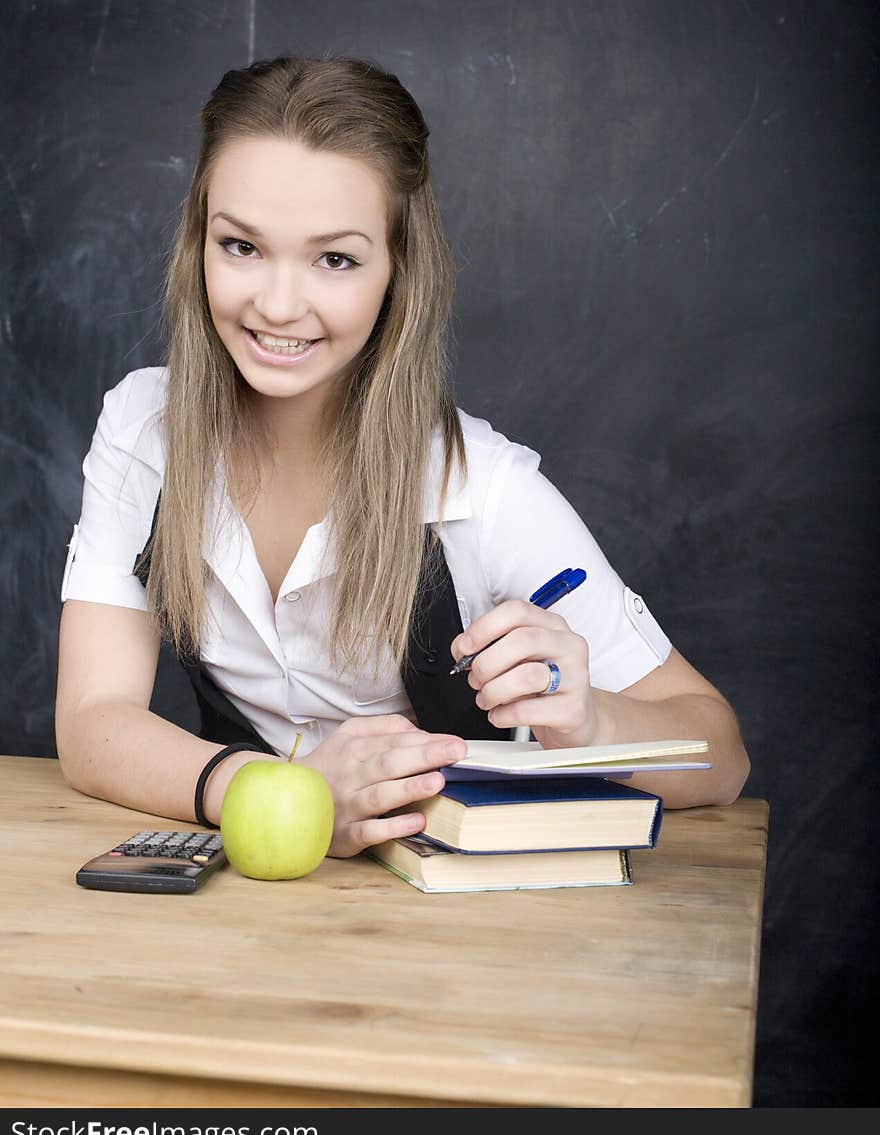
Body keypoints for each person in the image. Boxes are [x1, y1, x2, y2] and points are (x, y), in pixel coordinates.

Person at [55, 55, 750, 858]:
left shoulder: (482, 489)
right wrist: (285, 795)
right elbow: (93, 721)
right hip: (239, 904)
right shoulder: (145, 427)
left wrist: (589, 716)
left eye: (336, 259)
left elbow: (720, 755)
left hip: (459, 931)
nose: (278, 305)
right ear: (197, 241)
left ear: (397, 274)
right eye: (241, 246)